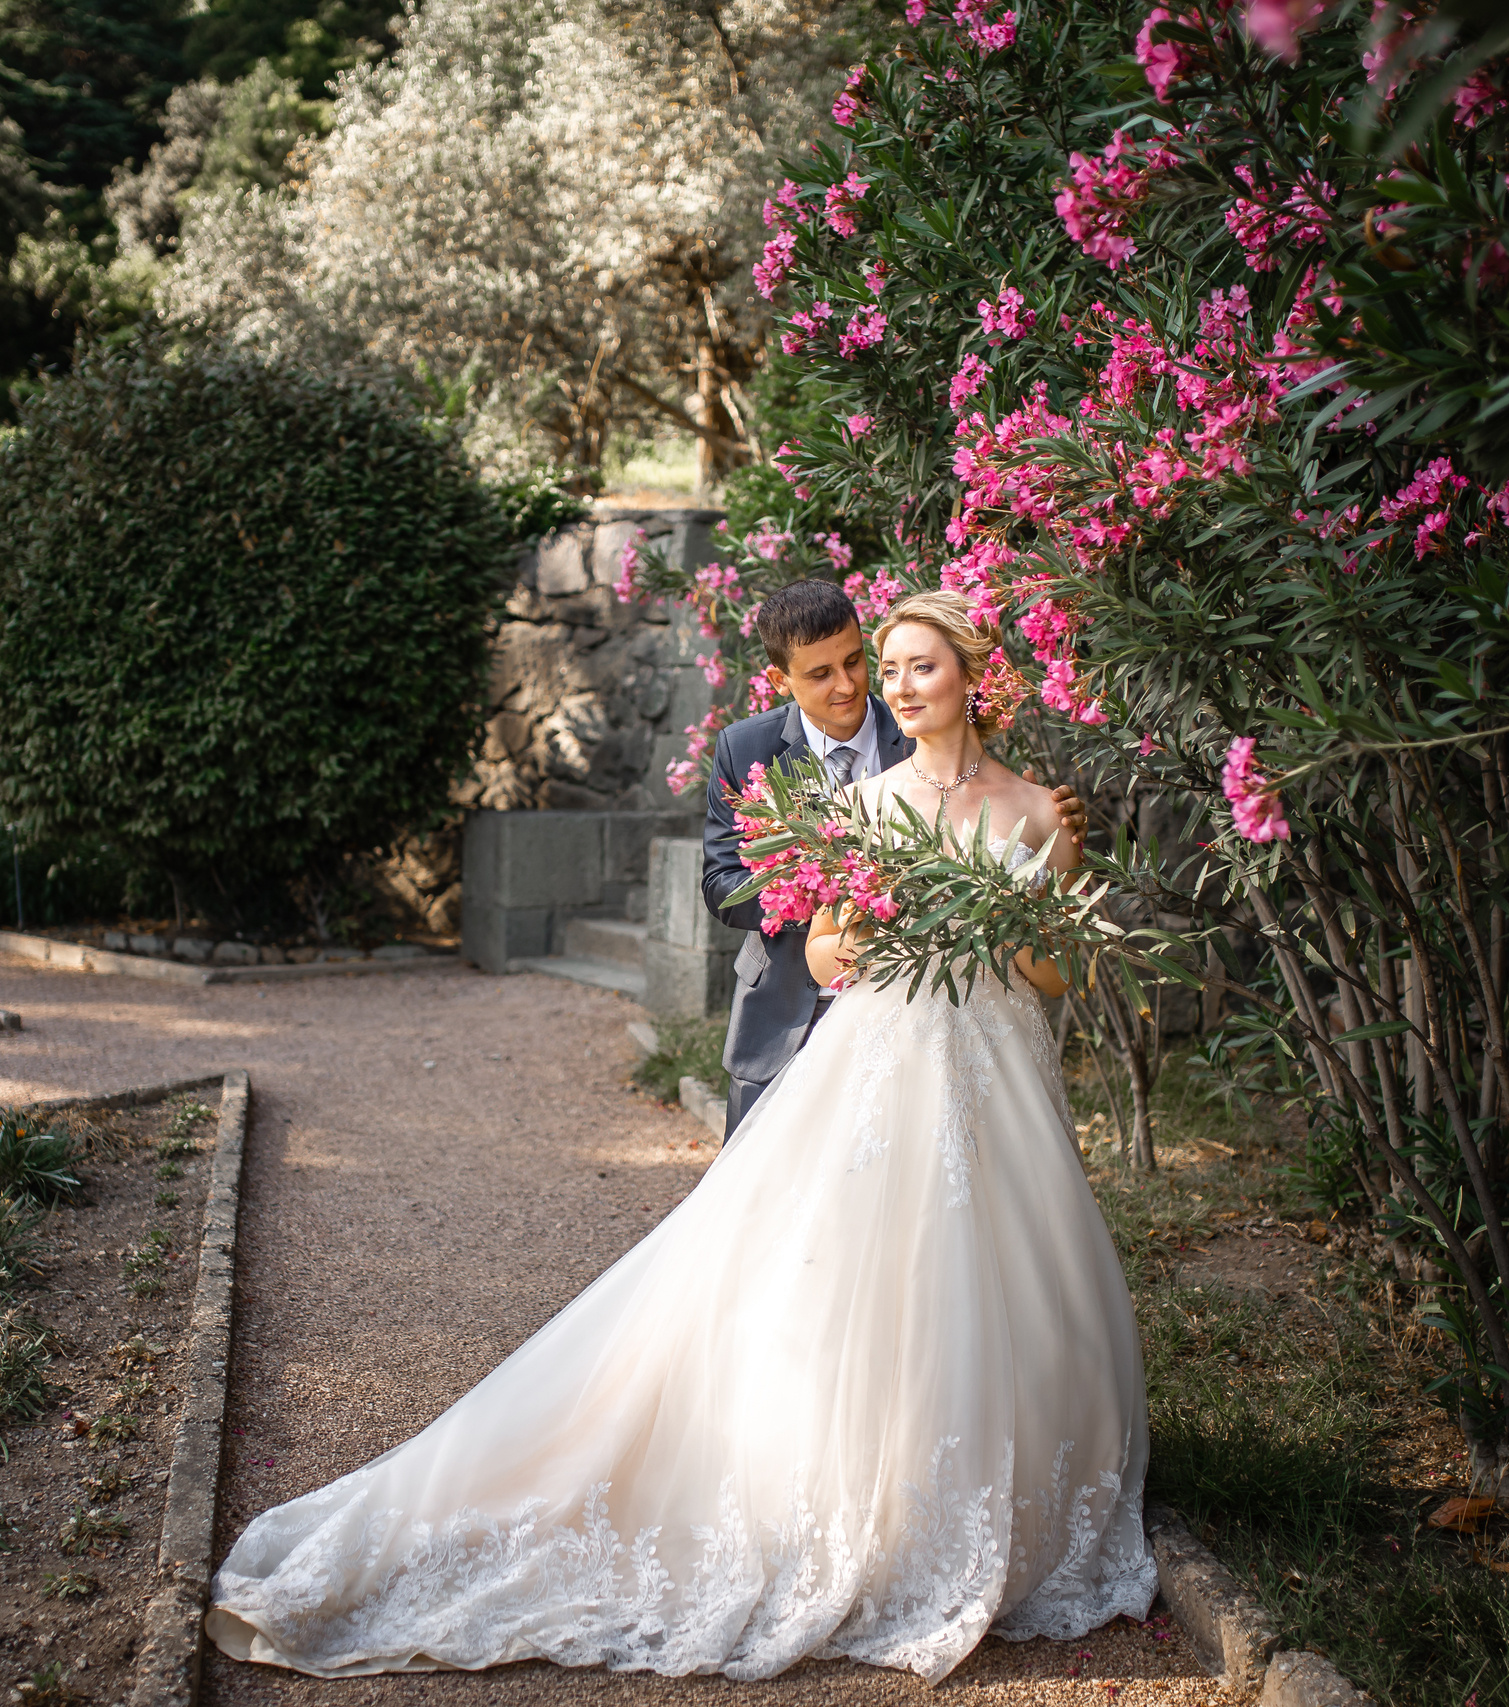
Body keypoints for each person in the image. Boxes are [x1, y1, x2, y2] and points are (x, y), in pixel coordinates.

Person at [205, 587, 1153, 1682]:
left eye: (914, 666)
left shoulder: (1036, 809)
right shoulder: (862, 805)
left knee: (1003, 1280)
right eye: (886, 668)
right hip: (881, 1063)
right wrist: (866, 933)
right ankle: (851, 1494)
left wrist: (1034, 895)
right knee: (849, 1281)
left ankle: (989, 1496)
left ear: (971, 675)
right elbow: (825, 956)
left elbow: (1050, 976)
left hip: (994, 1070)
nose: (892, 687)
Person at [700, 580, 1088, 1135]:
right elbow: (722, 882)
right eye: (821, 673)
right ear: (781, 680)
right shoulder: (748, 750)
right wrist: (823, 886)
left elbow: (1056, 958)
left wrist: (1008, 890)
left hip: (977, 1037)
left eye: (856, 662)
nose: (848, 685)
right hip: (790, 1007)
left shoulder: (926, 729)